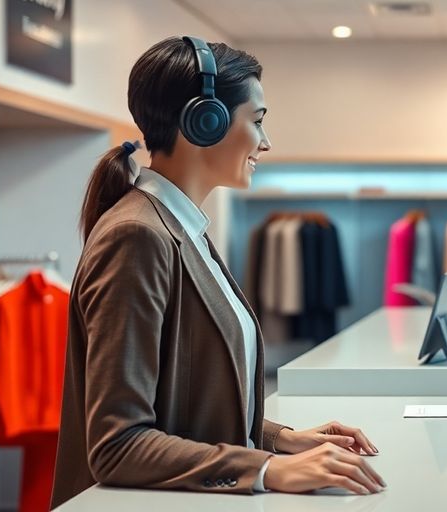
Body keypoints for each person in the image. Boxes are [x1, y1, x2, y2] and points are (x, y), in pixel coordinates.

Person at [51, 36, 385, 508]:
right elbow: (118, 444)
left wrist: (278, 439)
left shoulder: (182, 229)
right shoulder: (138, 237)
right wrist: (268, 469)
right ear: (205, 122)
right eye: (258, 121)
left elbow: (182, 407)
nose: (266, 142)